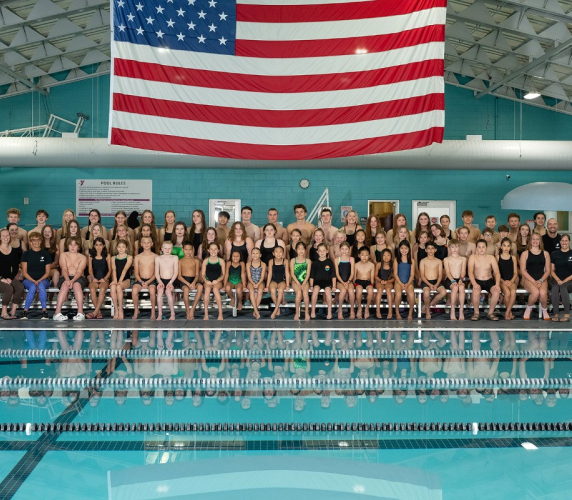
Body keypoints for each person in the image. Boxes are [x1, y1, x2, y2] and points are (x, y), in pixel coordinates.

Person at [52, 237, 88, 321]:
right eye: (71, 244)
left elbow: (79, 271)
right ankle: (57, 313)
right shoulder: (63, 255)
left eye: (75, 245)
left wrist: (72, 280)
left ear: (78, 247)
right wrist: (67, 279)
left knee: (77, 285)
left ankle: (80, 313)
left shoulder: (83, 257)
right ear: (67, 245)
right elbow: (64, 268)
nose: (72, 247)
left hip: (78, 277)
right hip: (65, 276)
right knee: (65, 285)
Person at [20, 232, 52, 320]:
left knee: (41, 286)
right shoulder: (26, 254)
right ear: (30, 242)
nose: (36, 242)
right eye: (33, 240)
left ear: (41, 241)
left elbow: (47, 272)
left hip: (43, 280)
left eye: (38, 240)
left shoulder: (45, 254)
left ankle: (44, 311)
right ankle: (25, 311)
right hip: (29, 280)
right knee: (33, 287)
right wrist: (34, 281)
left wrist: (39, 280)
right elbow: (24, 272)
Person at [468, 239, 501, 321]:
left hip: (489, 280)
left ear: (486, 248)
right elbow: (470, 272)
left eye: (483, 247)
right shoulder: (473, 257)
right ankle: (476, 313)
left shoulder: (491, 258)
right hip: (477, 280)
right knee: (476, 291)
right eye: (479, 247)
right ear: (476, 248)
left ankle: (490, 313)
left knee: (496, 292)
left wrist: (497, 284)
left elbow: (497, 272)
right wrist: (474, 283)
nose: (481, 249)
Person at [520, 233, 551, 320]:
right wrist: (533, 281)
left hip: (542, 279)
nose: (535, 241)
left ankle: (544, 310)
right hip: (529, 279)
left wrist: (541, 280)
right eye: (533, 239)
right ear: (530, 241)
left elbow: (548, 270)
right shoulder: (525, 253)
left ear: (540, 241)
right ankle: (529, 308)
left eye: (537, 239)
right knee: (535, 293)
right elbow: (523, 270)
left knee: (543, 293)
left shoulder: (545, 253)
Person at [0, 228, 24, 320]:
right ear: (0, 237)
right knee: (8, 288)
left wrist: (10, 278)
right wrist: (1, 278)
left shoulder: (13, 251)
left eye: (7, 235)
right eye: (3, 236)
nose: (6, 237)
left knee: (20, 287)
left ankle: (13, 311)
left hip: (8, 277)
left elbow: (15, 267)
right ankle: (4, 312)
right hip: (0, 278)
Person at [419, 242, 447, 319]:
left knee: (443, 292)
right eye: (428, 248)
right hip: (426, 281)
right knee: (426, 293)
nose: (430, 250)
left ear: (435, 250)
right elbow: (422, 275)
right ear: (425, 250)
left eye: (432, 248)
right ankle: (428, 311)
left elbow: (440, 275)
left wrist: (436, 284)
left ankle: (430, 304)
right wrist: (429, 284)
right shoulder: (423, 261)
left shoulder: (438, 261)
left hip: (436, 281)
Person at [86, 237, 111, 319]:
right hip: (95, 278)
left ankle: (94, 313)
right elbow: (90, 269)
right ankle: (98, 312)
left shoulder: (107, 256)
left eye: (100, 245)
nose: (98, 247)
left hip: (104, 279)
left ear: (103, 246)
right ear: (94, 246)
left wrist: (105, 278)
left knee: (102, 289)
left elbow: (110, 270)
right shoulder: (91, 256)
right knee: (92, 289)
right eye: (96, 245)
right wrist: (93, 278)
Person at [131, 236, 155, 319]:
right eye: (144, 242)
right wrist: (141, 282)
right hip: (140, 280)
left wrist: (148, 282)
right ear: (141, 244)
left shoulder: (155, 256)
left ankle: (153, 310)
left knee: (152, 290)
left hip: (151, 280)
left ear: (152, 244)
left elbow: (156, 273)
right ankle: (136, 309)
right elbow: (136, 273)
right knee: (134, 290)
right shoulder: (137, 257)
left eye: (148, 242)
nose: (146, 244)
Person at [178, 241, 203, 320]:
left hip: (194, 280)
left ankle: (193, 309)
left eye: (190, 249)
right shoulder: (180, 261)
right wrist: (188, 284)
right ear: (183, 250)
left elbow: (197, 275)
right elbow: (179, 276)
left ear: (192, 250)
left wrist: (193, 283)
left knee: (200, 287)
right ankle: (187, 311)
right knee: (186, 290)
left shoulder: (196, 261)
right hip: (184, 281)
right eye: (186, 249)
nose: (188, 252)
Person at [155, 240, 180, 321]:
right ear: (162, 249)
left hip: (172, 280)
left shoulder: (174, 258)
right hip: (161, 280)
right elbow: (156, 272)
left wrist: (171, 282)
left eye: (169, 248)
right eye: (165, 248)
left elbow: (175, 272)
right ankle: (160, 314)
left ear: (172, 249)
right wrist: (159, 281)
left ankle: (172, 314)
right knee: (160, 292)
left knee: (168, 292)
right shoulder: (158, 258)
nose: (167, 250)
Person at [309, 243, 335, 319]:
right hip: (317, 282)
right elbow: (312, 276)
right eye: (320, 251)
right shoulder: (315, 263)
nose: (322, 252)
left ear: (327, 251)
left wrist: (334, 286)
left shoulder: (330, 262)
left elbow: (333, 275)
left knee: (328, 291)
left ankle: (329, 312)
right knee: (315, 291)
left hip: (327, 282)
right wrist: (311, 285)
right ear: (317, 252)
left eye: (323, 250)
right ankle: (313, 311)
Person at [550, 234, 572, 322]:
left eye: (566, 241)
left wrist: (564, 281)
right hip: (556, 279)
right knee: (555, 288)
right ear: (560, 242)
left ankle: (567, 314)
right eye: (562, 241)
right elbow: (552, 270)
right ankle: (555, 314)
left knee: (563, 287)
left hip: (569, 280)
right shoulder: (554, 254)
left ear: (569, 242)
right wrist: (558, 280)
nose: (564, 242)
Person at [443, 239, 466, 321]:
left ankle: (461, 310)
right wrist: (453, 281)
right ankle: (452, 310)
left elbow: (463, 271)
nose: (455, 249)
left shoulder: (463, 259)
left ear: (459, 247)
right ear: (449, 248)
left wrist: (461, 279)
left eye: (456, 247)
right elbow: (447, 272)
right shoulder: (446, 259)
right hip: (450, 279)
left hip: (459, 279)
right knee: (455, 287)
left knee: (462, 287)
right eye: (452, 247)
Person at [201, 242, 224, 321]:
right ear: (208, 250)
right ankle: (206, 314)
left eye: (215, 249)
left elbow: (223, 275)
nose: (213, 251)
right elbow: (203, 274)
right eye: (211, 249)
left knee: (215, 289)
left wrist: (217, 280)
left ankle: (220, 314)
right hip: (208, 280)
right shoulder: (205, 261)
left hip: (217, 281)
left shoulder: (221, 261)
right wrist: (206, 281)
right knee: (207, 289)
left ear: (218, 250)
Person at [393, 241, 415, 320]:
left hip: (409, 282)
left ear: (409, 249)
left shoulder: (412, 260)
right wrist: (401, 283)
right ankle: (397, 312)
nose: (404, 250)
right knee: (398, 295)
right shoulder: (396, 260)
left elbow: (412, 274)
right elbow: (395, 274)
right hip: (398, 282)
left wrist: (408, 284)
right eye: (402, 248)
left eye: (406, 248)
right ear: (399, 249)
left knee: (411, 295)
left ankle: (410, 313)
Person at [497, 237, 518, 321]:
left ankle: (507, 311)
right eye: (504, 245)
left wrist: (511, 281)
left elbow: (515, 273)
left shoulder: (513, 258)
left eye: (508, 246)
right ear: (501, 247)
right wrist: (503, 281)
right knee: (507, 293)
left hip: (511, 280)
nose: (506, 248)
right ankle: (509, 312)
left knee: (513, 292)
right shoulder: (497, 257)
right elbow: (496, 273)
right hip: (501, 281)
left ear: (510, 247)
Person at [267, 246, 290, 319]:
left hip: (282, 281)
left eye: (280, 252)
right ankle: (278, 307)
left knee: (280, 291)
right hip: (274, 281)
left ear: (283, 253)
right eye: (276, 252)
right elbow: (270, 274)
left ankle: (275, 310)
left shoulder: (285, 261)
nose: (278, 253)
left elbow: (287, 273)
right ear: (273, 253)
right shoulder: (271, 261)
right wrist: (267, 286)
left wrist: (287, 285)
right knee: (272, 291)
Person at [335, 241, 355, 320]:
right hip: (340, 281)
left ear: (349, 250)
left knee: (351, 291)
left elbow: (352, 273)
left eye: (346, 249)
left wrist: (348, 282)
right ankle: (340, 310)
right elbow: (337, 274)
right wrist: (343, 283)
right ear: (340, 250)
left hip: (349, 281)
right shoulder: (337, 259)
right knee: (343, 291)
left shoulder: (351, 259)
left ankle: (352, 310)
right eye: (342, 249)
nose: (344, 251)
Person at [354, 247, 375, 319]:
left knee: (370, 290)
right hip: (358, 281)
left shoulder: (372, 265)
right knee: (359, 290)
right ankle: (359, 308)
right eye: (362, 255)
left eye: (366, 255)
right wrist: (354, 285)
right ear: (359, 255)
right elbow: (354, 277)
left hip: (367, 281)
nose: (364, 257)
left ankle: (367, 308)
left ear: (369, 256)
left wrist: (372, 285)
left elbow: (372, 278)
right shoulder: (356, 265)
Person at [246, 247, 266, 319]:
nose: (255, 255)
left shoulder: (263, 264)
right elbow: (249, 276)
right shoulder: (248, 264)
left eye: (257, 253)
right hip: (251, 281)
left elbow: (262, 276)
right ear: (251, 254)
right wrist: (253, 283)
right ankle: (256, 311)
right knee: (251, 291)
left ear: (260, 255)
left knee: (260, 291)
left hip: (260, 281)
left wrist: (257, 284)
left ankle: (255, 310)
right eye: (253, 253)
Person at [374, 248, 394, 319]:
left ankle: (390, 311)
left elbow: (394, 278)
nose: (386, 257)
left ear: (391, 256)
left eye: (388, 255)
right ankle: (378, 310)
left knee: (388, 290)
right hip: (380, 281)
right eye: (384, 255)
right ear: (381, 256)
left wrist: (388, 281)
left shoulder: (392, 265)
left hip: (389, 282)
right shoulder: (379, 264)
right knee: (380, 290)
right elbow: (375, 276)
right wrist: (380, 281)